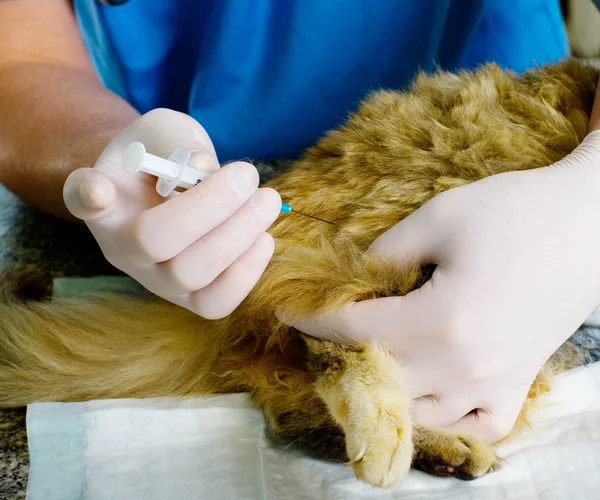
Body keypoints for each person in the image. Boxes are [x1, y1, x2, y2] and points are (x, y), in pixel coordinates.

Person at [2, 0, 600, 444]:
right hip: (173, 167)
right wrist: (103, 159)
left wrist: (588, 192)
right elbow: (21, 57)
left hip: (513, 161)